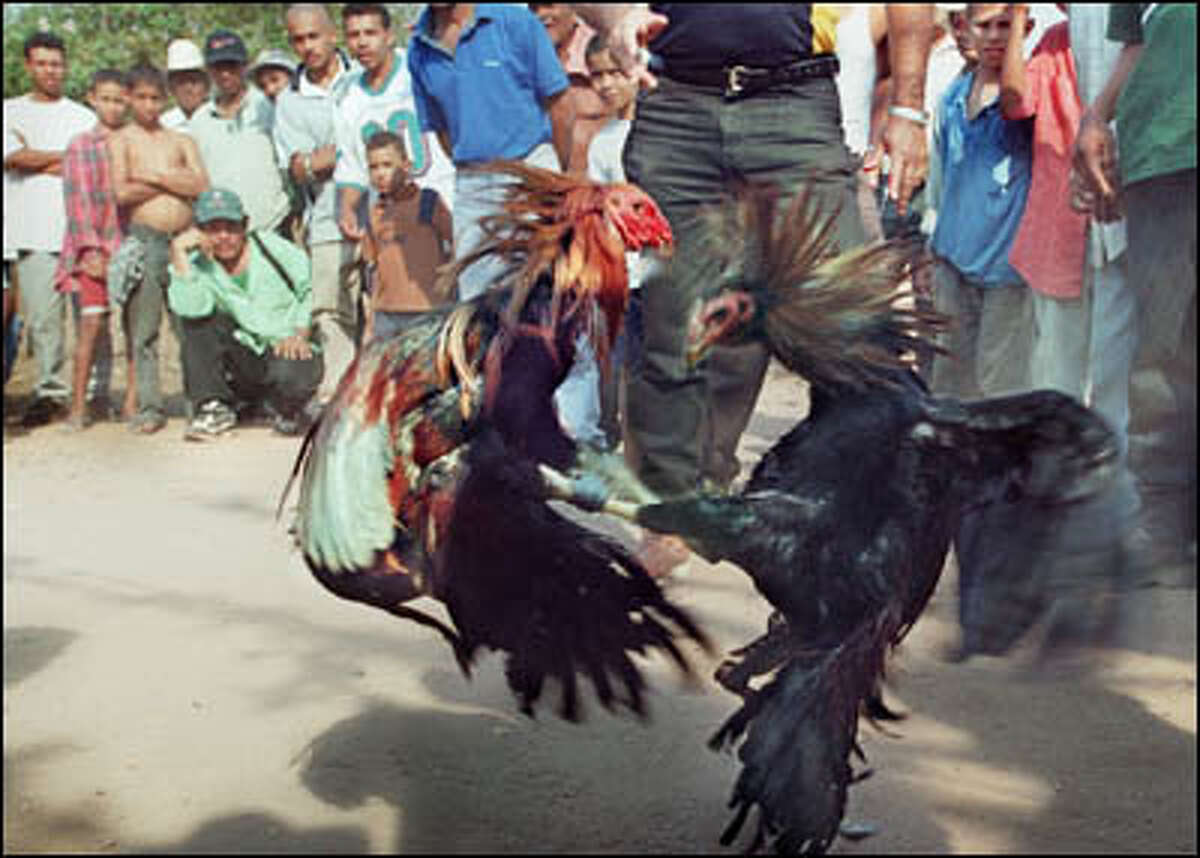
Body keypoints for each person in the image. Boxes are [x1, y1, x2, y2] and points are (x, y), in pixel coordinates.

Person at [576, 4, 934, 574]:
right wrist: (614, 17)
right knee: (673, 324)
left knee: (852, 327)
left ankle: (866, 522)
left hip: (793, 103)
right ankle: (673, 514)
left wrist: (910, 109)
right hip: (675, 105)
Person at [1073, 3, 1196, 567]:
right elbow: (1135, 44)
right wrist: (1096, 116)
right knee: (1166, 351)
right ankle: (1165, 529)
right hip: (1161, 158)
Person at [407, 2, 573, 300]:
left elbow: (559, 104)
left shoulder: (516, 22)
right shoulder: (418, 49)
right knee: (478, 301)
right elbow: (442, 130)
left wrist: (557, 176)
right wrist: (476, 170)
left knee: (548, 289)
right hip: (472, 184)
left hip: (531, 171)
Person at [927, 4, 1035, 402]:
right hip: (953, 260)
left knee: (1000, 385)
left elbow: (1016, 98)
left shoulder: (1025, 99)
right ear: (964, 29)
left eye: (1005, 26)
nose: (994, 36)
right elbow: (941, 181)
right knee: (948, 379)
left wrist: (1019, 35)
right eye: (984, 26)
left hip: (1007, 270)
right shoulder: (953, 96)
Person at [168, 188, 322, 440]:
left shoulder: (270, 247)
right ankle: (213, 408)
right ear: (199, 231)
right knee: (198, 323)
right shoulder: (198, 264)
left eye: (231, 228)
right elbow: (191, 309)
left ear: (245, 226)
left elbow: (312, 285)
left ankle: (287, 407)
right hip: (245, 352)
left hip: (287, 344)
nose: (223, 237)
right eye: (213, 229)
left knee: (291, 375)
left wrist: (300, 332)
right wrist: (179, 255)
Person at [3, 31, 97, 426]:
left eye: (56, 63)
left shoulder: (82, 115)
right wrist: (65, 157)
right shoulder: (9, 110)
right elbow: (12, 159)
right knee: (44, 320)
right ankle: (50, 392)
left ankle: (89, 391)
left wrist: (34, 157)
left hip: (79, 229)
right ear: (28, 65)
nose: (50, 71)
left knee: (90, 317)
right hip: (31, 230)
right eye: (41, 63)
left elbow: (91, 164)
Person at [553, 31, 643, 449]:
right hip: (620, 278)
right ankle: (603, 445)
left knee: (652, 372)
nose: (606, 84)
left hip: (661, 274)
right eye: (597, 76)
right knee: (610, 364)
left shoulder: (662, 133)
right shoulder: (603, 140)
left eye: (615, 73)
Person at [109, 63, 209, 434]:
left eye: (155, 97)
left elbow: (200, 184)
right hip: (146, 239)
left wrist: (152, 177)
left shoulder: (181, 140)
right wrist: (173, 183)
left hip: (183, 240)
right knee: (145, 330)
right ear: (130, 98)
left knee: (190, 325)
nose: (149, 105)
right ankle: (150, 408)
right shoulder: (122, 141)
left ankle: (198, 403)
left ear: (164, 98)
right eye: (141, 97)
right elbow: (121, 192)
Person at [275, 3, 361, 412]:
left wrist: (327, 158)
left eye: (313, 36)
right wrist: (316, 162)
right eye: (298, 39)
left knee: (387, 304)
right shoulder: (290, 101)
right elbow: (297, 168)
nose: (307, 46)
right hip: (326, 219)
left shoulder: (364, 76)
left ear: (332, 35)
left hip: (379, 214)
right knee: (331, 309)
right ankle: (338, 396)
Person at [332, 4, 456, 255]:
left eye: (370, 33)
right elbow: (352, 167)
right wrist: (346, 210)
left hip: (443, 200)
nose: (362, 43)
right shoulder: (346, 94)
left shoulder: (418, 67)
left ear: (389, 35)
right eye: (354, 35)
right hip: (391, 218)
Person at [55, 68, 136, 430]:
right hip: (95, 248)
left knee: (135, 327)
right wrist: (90, 251)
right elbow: (78, 201)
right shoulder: (81, 145)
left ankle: (132, 402)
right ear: (92, 98)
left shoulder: (134, 141)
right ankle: (78, 406)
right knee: (90, 327)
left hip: (129, 245)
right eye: (107, 99)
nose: (114, 107)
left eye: (120, 100)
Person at [189, 30, 292, 234]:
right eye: (218, 67)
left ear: (245, 66)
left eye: (231, 65)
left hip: (274, 227)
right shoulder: (200, 120)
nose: (225, 74)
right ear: (209, 71)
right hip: (223, 235)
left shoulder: (267, 106)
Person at [360, 131, 453, 342]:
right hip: (387, 315)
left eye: (387, 165)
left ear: (407, 166)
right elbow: (373, 270)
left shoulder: (428, 202)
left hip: (427, 311)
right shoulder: (375, 213)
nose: (380, 174)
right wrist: (370, 325)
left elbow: (458, 244)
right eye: (373, 167)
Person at [529, 3, 611, 176]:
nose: (541, 15)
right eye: (534, 8)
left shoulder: (605, 48)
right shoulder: (523, 55)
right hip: (544, 178)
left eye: (549, 5)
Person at [161, 39, 211, 131]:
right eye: (181, 82)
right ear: (171, 88)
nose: (188, 89)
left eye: (194, 81)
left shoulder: (222, 119)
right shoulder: (164, 125)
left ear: (206, 84)